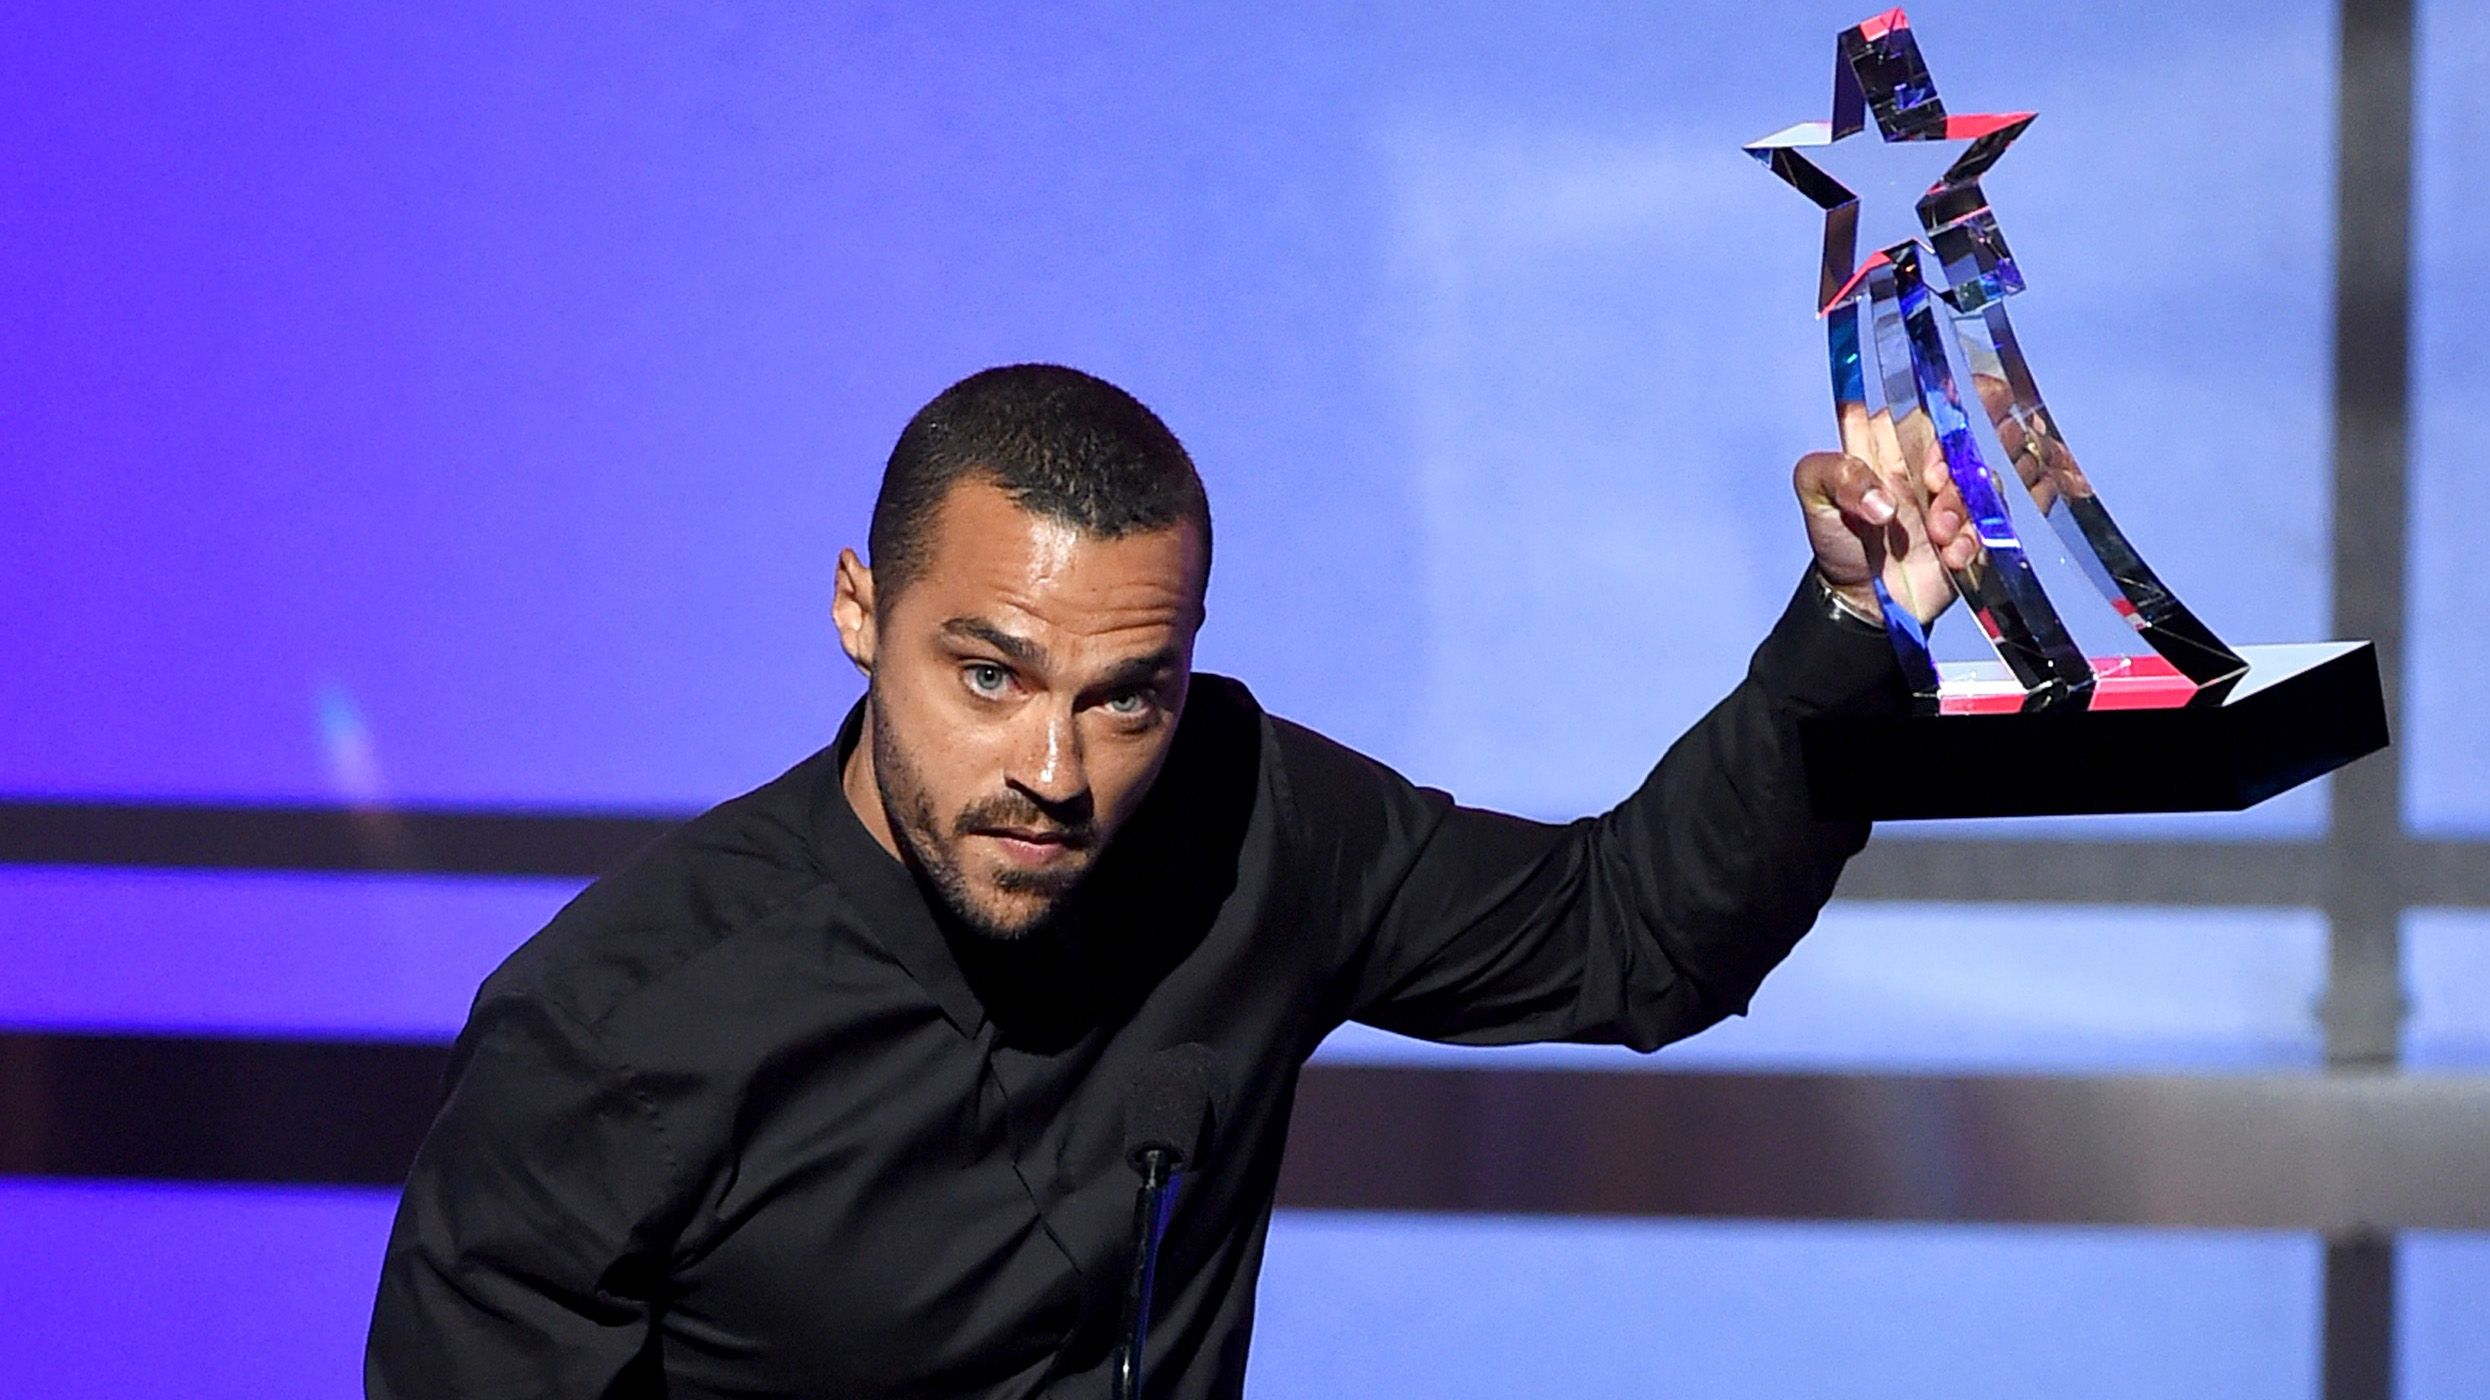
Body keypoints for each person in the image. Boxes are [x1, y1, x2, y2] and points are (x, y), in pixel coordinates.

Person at [366, 363, 1971, 1398]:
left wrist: (1850, 628)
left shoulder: (1250, 816)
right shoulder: (613, 1028)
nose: (1053, 772)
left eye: (1126, 696)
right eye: (987, 676)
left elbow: (1632, 938)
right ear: (858, 612)